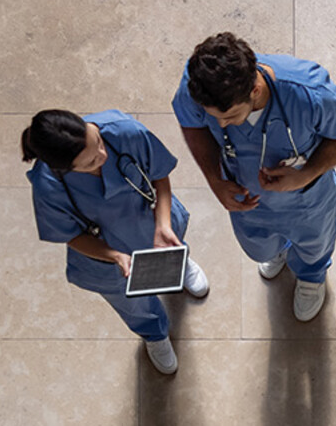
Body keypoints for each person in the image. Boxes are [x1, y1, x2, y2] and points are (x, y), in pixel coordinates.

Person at [172, 33, 336, 322]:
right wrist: (214, 179)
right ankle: (278, 251)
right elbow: (192, 124)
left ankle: (311, 277)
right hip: (248, 199)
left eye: (230, 116)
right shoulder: (199, 85)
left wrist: (306, 174)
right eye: (215, 117)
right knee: (260, 248)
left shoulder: (309, 94)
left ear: (255, 90)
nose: (221, 125)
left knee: (314, 247)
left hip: (306, 201)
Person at [23, 109, 210, 375]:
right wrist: (114, 256)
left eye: (98, 142)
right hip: (106, 256)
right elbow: (71, 236)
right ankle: (154, 335)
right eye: (90, 162)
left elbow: (159, 175)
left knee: (171, 245)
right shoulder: (48, 186)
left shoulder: (124, 130)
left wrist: (163, 224)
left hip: (150, 221)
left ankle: (180, 265)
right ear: (64, 168)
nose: (102, 155)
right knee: (133, 304)